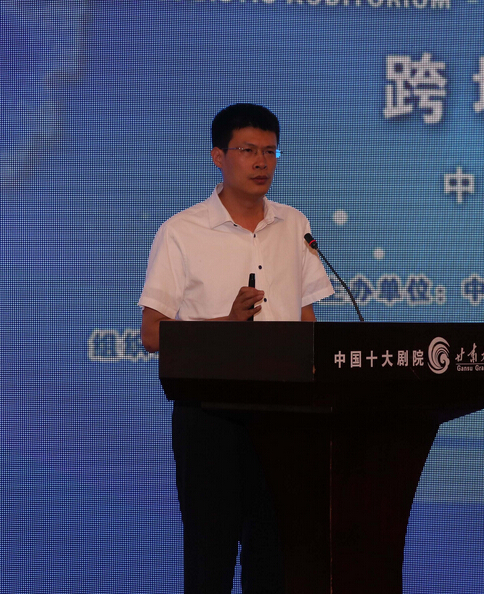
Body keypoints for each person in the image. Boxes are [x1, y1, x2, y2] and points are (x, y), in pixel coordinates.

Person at [138, 103, 334, 593]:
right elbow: (152, 334)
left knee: (276, 559)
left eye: (270, 151)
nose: (261, 162)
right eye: (248, 150)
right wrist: (227, 325)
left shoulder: (294, 224)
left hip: (286, 416)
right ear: (218, 157)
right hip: (211, 418)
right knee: (212, 558)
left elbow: (307, 322)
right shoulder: (181, 232)